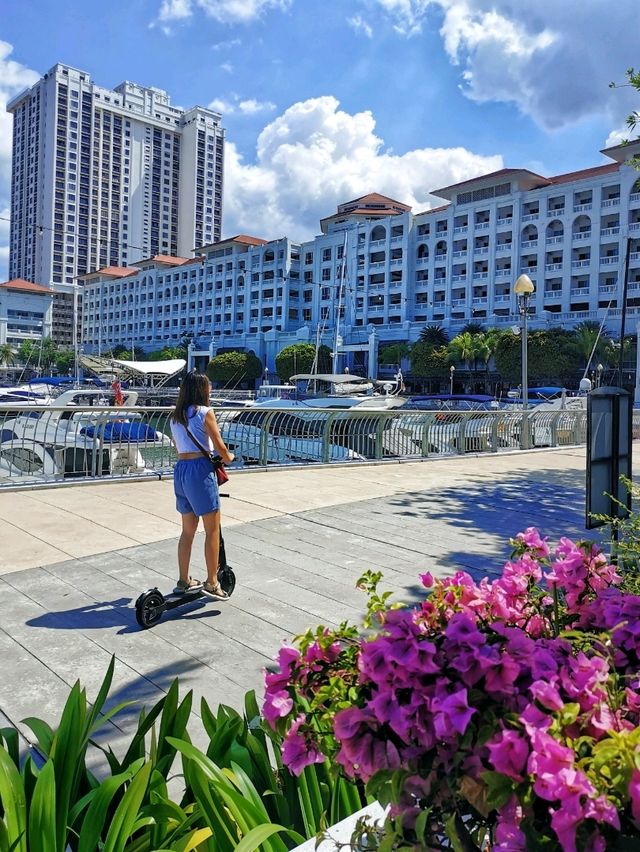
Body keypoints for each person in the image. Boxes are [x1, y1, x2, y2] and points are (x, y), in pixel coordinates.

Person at [170, 371, 235, 600]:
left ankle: (183, 580)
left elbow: (181, 448)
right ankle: (212, 581)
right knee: (212, 530)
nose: (211, 390)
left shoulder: (175, 416)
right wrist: (230, 457)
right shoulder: (206, 413)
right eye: (208, 386)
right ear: (201, 389)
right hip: (199, 471)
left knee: (187, 531)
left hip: (181, 471)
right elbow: (220, 448)